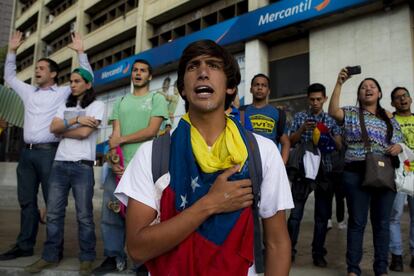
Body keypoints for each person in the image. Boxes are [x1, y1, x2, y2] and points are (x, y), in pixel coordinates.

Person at [114, 39, 293, 275]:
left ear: (230, 87)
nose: (203, 73)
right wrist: (209, 204)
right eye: (193, 67)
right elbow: (136, 249)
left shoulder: (262, 152)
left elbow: (277, 243)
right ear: (182, 89)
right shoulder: (152, 154)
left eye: (214, 66)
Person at [0, 31, 92, 261]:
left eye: (41, 67)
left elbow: (87, 78)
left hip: (50, 154)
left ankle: (54, 250)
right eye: (36, 67)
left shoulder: (62, 92)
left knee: (54, 204)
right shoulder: (28, 92)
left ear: (53, 73)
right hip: (27, 154)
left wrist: (81, 52)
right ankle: (25, 245)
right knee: (27, 201)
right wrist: (12, 51)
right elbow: (10, 78)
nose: (36, 70)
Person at [23, 68, 103, 275]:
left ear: (88, 84)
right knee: (54, 213)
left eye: (77, 81)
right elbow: (53, 128)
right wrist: (76, 120)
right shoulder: (64, 105)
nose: (73, 85)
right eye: (71, 81)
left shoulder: (98, 105)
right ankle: (49, 256)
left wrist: (64, 129)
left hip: (82, 166)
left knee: (84, 215)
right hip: (59, 164)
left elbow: (85, 134)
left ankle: (86, 258)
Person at [92, 59, 168, 275]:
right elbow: (114, 136)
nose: (138, 73)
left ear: (150, 76)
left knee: (145, 218)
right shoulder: (121, 101)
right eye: (135, 70)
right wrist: (114, 161)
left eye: (143, 70)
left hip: (145, 168)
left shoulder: (157, 99)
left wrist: (122, 139)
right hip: (119, 169)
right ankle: (113, 256)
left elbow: (152, 130)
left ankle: (143, 262)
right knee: (111, 214)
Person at [328, 69, 403, 276]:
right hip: (355, 173)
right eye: (363, 87)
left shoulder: (389, 118)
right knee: (357, 222)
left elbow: (399, 140)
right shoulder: (351, 113)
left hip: (384, 173)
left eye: (372, 87)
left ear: (379, 93)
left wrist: (398, 147)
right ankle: (353, 269)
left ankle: (381, 269)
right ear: (359, 94)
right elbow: (333, 112)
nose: (367, 89)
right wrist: (339, 83)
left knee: (382, 224)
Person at [288, 83, 342, 267]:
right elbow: (290, 141)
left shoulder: (330, 120)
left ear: (325, 99)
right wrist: (303, 129)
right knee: (295, 215)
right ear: (307, 99)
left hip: (325, 171)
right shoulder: (300, 117)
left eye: (319, 99)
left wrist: (327, 134)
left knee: (322, 217)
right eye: (312, 99)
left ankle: (318, 253)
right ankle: (289, 251)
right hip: (302, 172)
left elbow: (340, 146)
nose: (316, 102)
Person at [389, 87, 414, 271]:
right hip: (398, 175)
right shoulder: (390, 122)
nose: (402, 99)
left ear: (411, 99)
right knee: (394, 217)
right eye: (397, 98)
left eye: (404, 96)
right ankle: (396, 256)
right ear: (392, 103)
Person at [240, 73, 290, 163]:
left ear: (268, 91)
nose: (260, 88)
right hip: (247, 163)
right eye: (256, 85)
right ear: (251, 89)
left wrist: (281, 166)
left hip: (270, 162)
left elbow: (285, 143)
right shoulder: (242, 111)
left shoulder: (278, 113)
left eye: (264, 85)